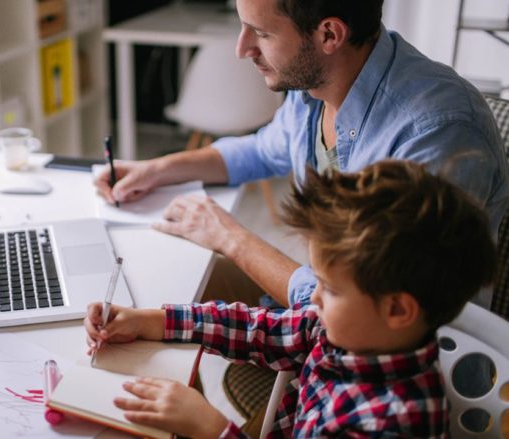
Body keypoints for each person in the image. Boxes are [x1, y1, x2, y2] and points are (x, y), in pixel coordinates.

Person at [94, 0, 508, 309]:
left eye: (262, 33)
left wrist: (230, 237)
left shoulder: (436, 132)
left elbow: (364, 305)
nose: (242, 49)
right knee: (161, 290)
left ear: (329, 35)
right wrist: (156, 170)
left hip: (395, 361)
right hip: (327, 303)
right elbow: (261, 149)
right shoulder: (315, 86)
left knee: (177, 310)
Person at [85, 160, 497, 438]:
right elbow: (260, 330)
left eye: (330, 289)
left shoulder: (389, 422)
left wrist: (212, 429)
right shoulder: (349, 330)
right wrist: (149, 321)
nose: (312, 296)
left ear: (397, 310)